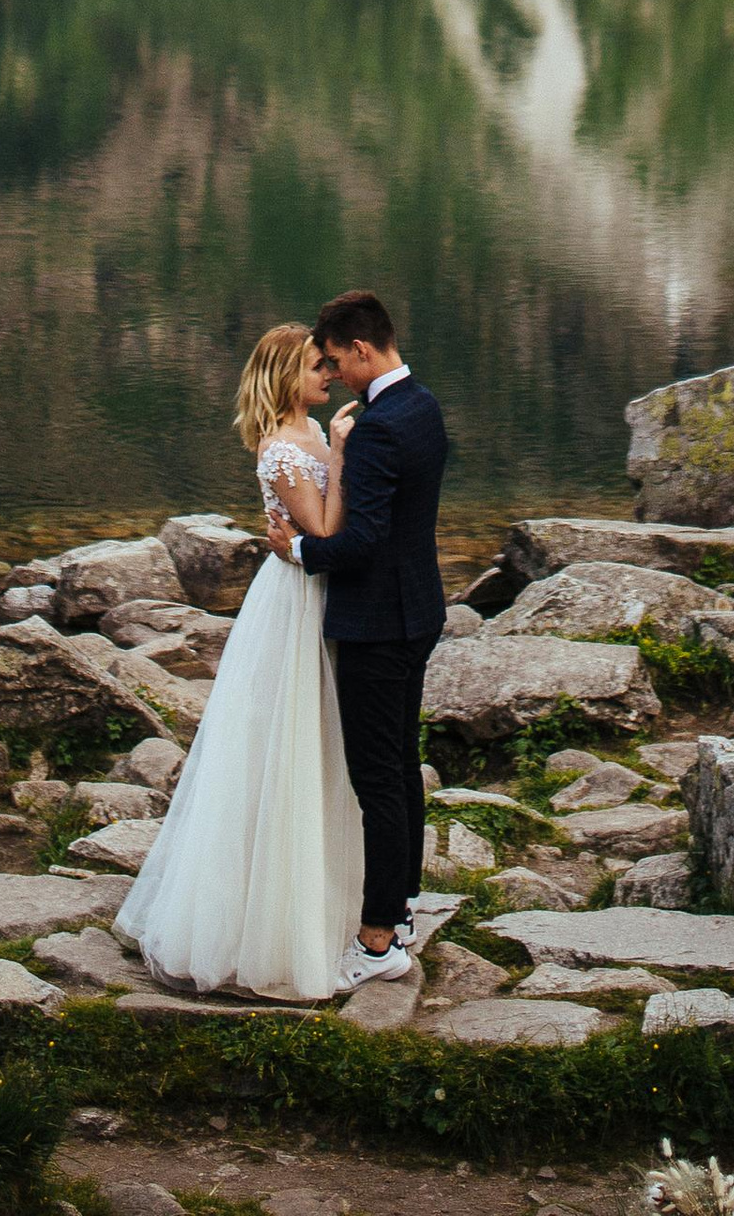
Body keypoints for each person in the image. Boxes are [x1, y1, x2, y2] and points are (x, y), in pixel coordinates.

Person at [114, 320, 365, 999]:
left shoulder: (304, 434)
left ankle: (313, 905)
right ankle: (253, 925)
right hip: (294, 601)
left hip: (312, 594)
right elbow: (322, 532)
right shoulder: (285, 448)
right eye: (317, 365)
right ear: (286, 373)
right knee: (276, 744)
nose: (330, 373)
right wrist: (343, 453)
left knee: (314, 745)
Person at [264, 287, 449, 981]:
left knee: (378, 781)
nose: (334, 371)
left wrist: (300, 554)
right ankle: (400, 906)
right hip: (418, 609)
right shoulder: (419, 405)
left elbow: (363, 541)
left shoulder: (378, 426)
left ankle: (378, 942)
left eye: (338, 358)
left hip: (377, 623)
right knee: (401, 767)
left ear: (363, 349)